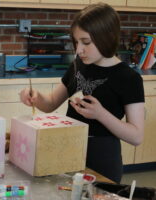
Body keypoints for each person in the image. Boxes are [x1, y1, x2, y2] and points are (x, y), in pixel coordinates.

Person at [20, 3, 144, 183]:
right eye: (76, 42)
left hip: (103, 160)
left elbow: (136, 136)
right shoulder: (78, 65)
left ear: (107, 37)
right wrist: (36, 97)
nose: (78, 50)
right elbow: (51, 103)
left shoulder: (128, 78)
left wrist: (100, 114)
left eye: (86, 42)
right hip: (67, 151)